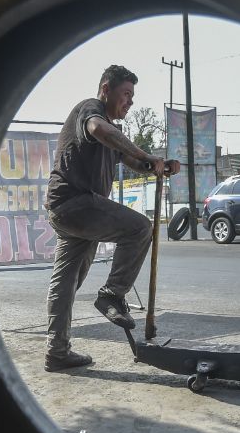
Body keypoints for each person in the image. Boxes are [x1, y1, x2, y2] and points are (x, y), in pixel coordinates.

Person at [43, 65, 180, 371]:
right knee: (140, 228)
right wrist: (148, 157)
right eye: (125, 94)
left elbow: (131, 160)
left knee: (66, 282)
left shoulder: (114, 133)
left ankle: (57, 351)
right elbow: (98, 131)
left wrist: (158, 167)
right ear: (106, 89)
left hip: (71, 210)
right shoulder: (91, 111)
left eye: (133, 96)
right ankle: (112, 295)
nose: (130, 102)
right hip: (75, 202)